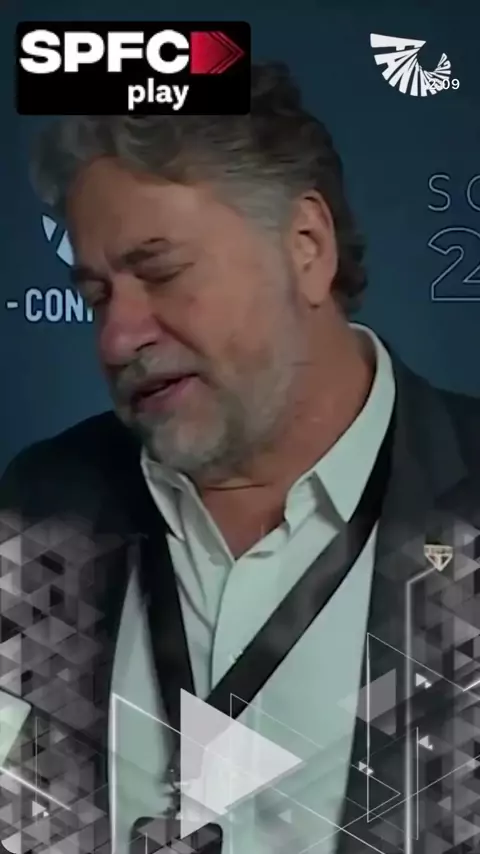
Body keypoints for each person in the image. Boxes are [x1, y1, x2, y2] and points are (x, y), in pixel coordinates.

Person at [1, 62, 479, 854]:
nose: (117, 339)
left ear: (306, 247)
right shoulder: (43, 510)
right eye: (96, 296)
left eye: (161, 272)